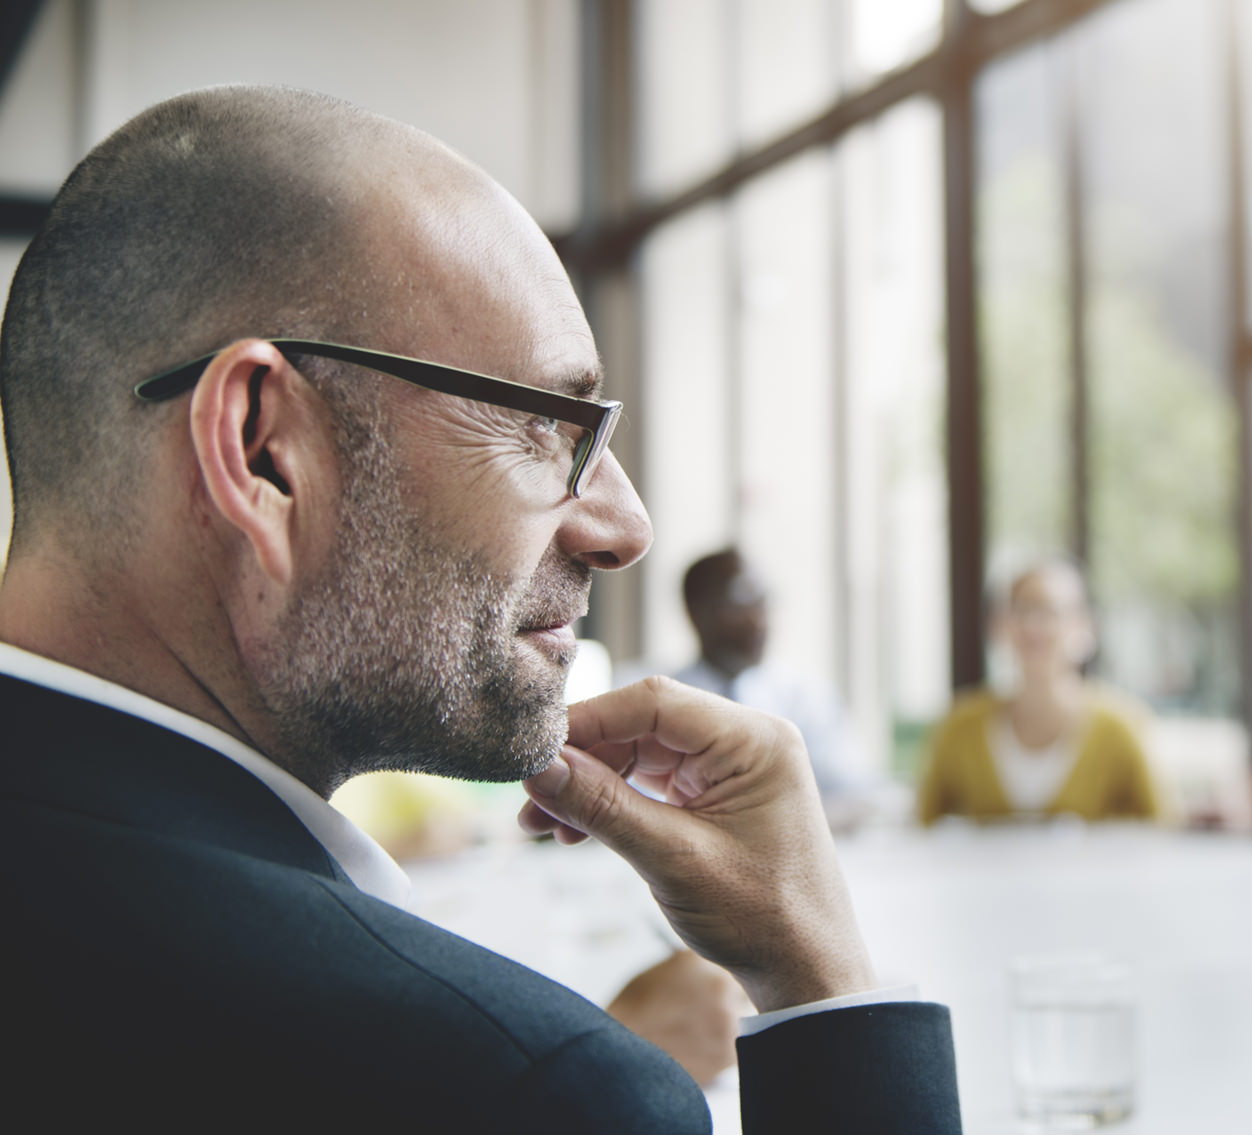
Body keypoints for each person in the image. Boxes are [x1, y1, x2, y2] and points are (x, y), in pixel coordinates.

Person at [0, 86, 959, 1130]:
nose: (626, 526)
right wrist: (817, 973)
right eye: (545, 427)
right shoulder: (526, 1083)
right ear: (262, 451)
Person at [626, 548, 881, 829]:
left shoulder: (808, 700)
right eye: (740, 602)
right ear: (695, 610)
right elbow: (634, 804)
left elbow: (856, 793)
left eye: (762, 601)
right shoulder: (651, 704)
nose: (758, 620)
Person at [917, 560, 1166, 824]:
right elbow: (921, 825)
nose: (1033, 626)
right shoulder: (959, 726)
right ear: (1000, 626)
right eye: (1022, 610)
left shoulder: (1122, 727)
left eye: (1050, 612)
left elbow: (1163, 825)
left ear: (1084, 626)